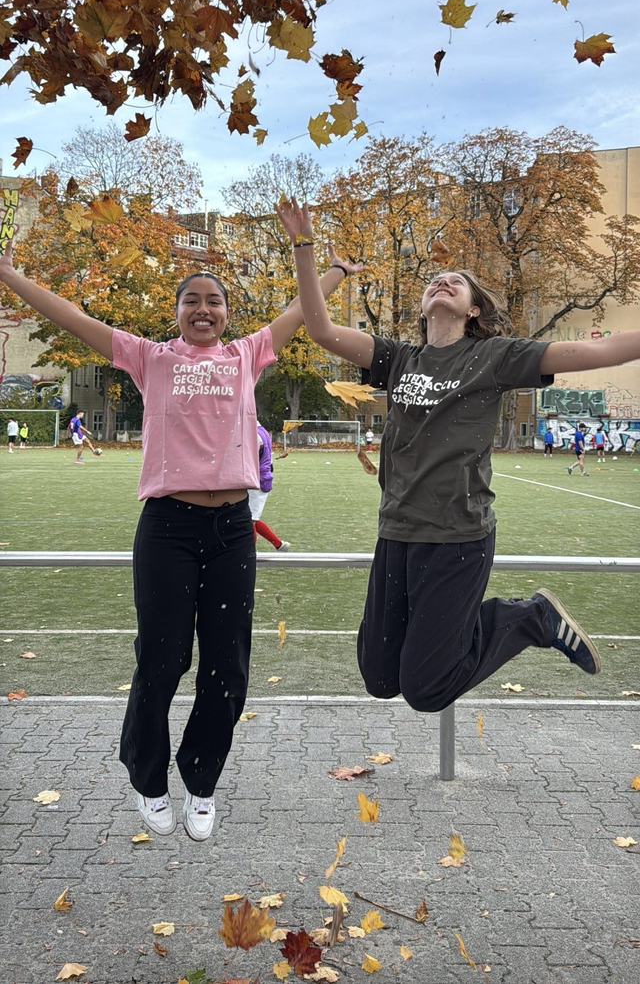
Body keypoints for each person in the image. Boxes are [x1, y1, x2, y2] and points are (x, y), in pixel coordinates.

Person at [0, 236, 359, 841]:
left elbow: (301, 309)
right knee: (162, 660)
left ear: (225, 312)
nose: (203, 309)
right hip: (167, 527)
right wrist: (9, 275)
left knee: (228, 667)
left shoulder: (247, 355)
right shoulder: (149, 358)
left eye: (213, 301)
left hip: (232, 531)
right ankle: (148, 780)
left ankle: (201, 782)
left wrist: (337, 271)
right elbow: (73, 316)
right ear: (177, 312)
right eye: (191, 300)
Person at [278, 198, 640, 716]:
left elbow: (594, 352)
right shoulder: (398, 358)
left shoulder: (493, 357)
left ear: (474, 309)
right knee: (380, 679)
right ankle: (496, 624)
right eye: (434, 280)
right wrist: (305, 246)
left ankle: (532, 618)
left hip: (458, 536)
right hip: (396, 531)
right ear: (423, 306)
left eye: (456, 280)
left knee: (426, 690)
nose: (441, 282)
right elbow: (320, 330)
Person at [249, 422, 291, 552]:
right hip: (260, 479)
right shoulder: (262, 431)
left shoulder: (254, 434)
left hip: (256, 480)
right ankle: (279, 544)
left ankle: (250, 556)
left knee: (249, 521)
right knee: (249, 518)